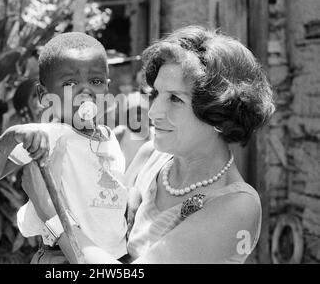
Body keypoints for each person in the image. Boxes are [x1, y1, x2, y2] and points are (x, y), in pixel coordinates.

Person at [21, 25, 275, 263]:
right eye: (155, 94)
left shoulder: (236, 206)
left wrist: (52, 212)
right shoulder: (151, 157)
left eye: (175, 99)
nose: (153, 112)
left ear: (218, 112)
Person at [0, 32, 128, 264]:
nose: (85, 91)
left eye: (95, 81)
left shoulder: (109, 137)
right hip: (61, 256)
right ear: (44, 96)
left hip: (112, 256)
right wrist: (11, 136)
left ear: (107, 88)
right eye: (70, 83)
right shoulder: (47, 136)